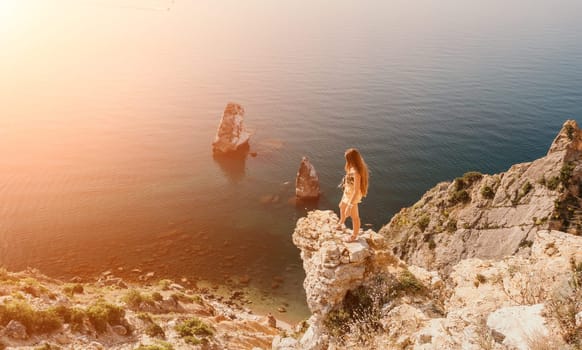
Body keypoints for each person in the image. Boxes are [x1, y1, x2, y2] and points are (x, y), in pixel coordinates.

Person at [335, 148, 369, 242]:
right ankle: (341, 223)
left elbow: (356, 189)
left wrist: (350, 205)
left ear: (351, 159)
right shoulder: (350, 167)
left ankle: (354, 236)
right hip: (347, 192)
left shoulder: (356, 173)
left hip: (353, 195)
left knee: (354, 217)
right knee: (341, 206)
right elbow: (349, 182)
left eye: (347, 159)